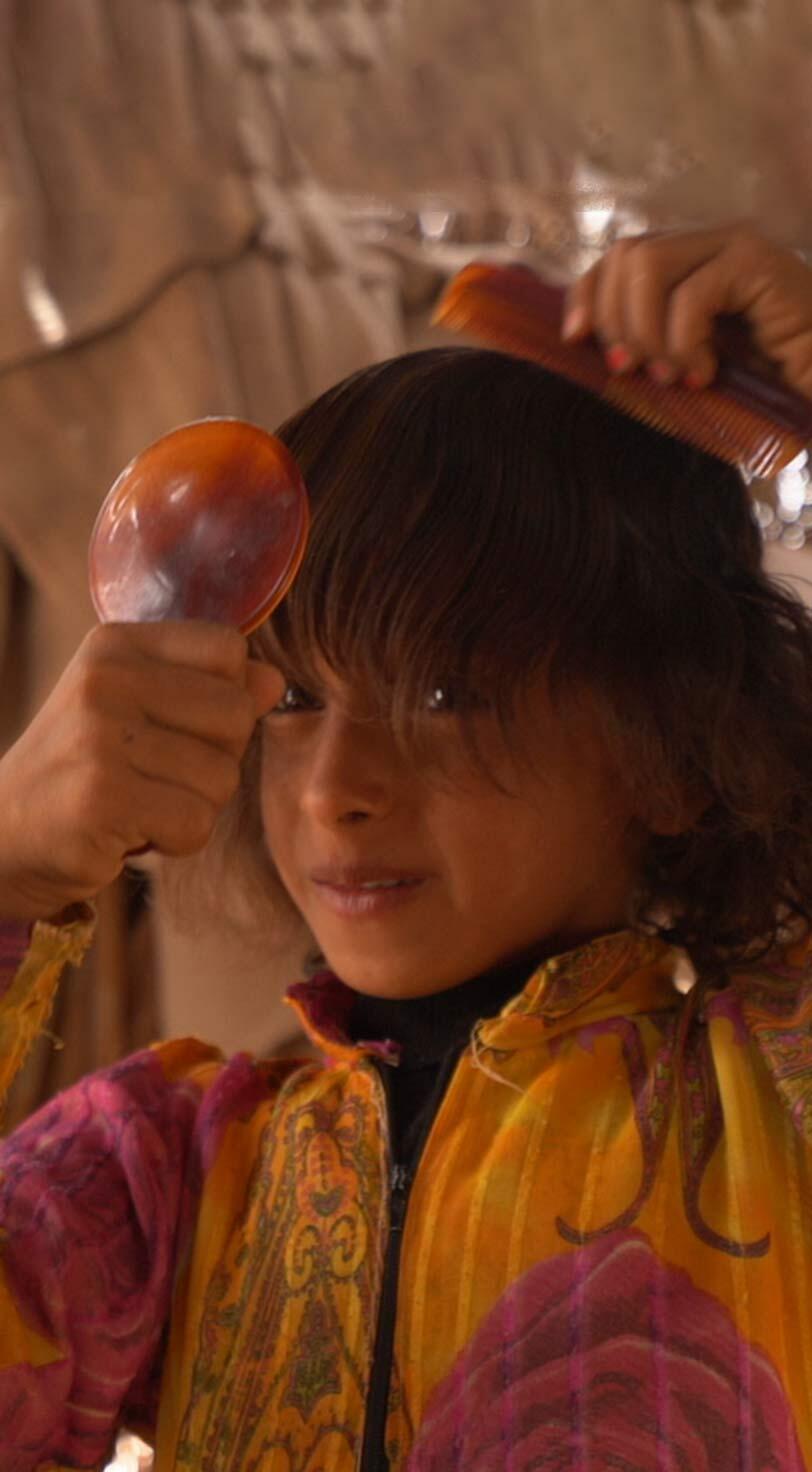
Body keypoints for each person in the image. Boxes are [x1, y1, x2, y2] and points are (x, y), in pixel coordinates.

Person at [2, 222, 812, 1470]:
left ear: (668, 741)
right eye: (289, 699)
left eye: (443, 694)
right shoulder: (166, 1167)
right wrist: (12, 868)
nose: (335, 788)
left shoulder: (772, 1104)